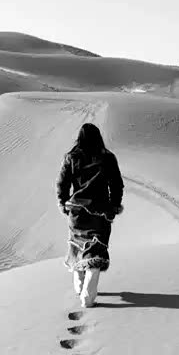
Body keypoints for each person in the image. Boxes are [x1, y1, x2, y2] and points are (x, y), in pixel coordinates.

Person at [56, 122, 124, 307]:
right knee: (96, 251)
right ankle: (87, 296)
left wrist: (63, 203)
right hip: (100, 212)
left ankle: (79, 289)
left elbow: (62, 184)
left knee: (77, 247)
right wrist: (114, 206)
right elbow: (117, 184)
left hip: (76, 211)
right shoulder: (107, 158)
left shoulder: (71, 157)